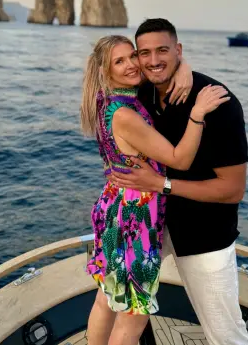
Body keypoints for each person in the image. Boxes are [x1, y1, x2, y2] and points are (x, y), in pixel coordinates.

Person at [110, 18, 248, 345]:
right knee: (122, 306)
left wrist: (162, 184)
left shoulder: (218, 103)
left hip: (205, 234)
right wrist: (181, 66)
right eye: (143, 53)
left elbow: (233, 190)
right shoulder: (141, 93)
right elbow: (105, 78)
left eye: (163, 50)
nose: (153, 60)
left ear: (179, 49)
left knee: (226, 335)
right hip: (149, 225)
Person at [80, 35, 229, 345]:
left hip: (113, 209)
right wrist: (197, 113)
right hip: (135, 220)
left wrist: (182, 65)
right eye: (119, 61)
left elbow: (157, 70)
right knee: (133, 318)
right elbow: (180, 159)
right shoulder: (126, 116)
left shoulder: (106, 100)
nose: (133, 64)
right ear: (106, 71)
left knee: (106, 299)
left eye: (132, 56)